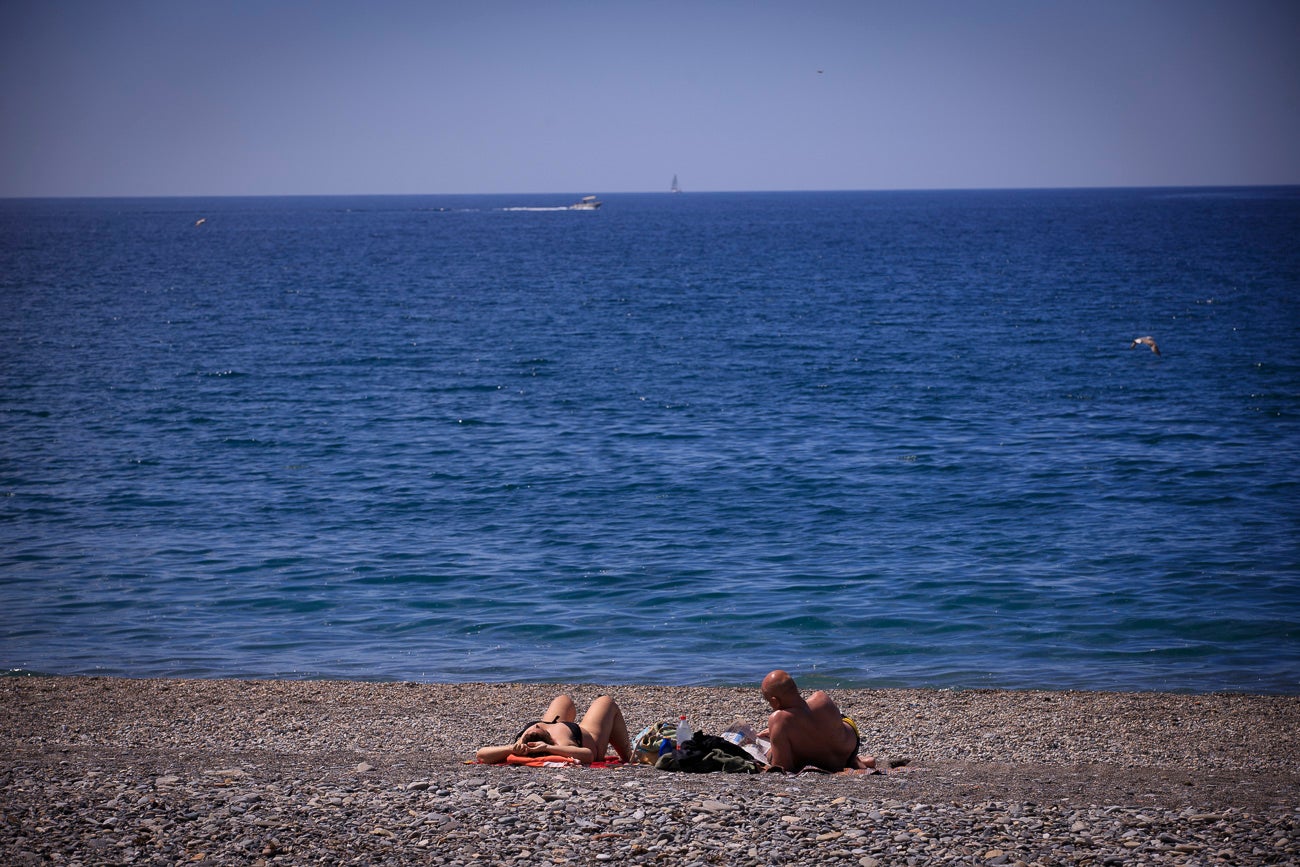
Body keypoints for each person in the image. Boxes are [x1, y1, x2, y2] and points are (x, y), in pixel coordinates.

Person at [758, 669, 875, 772]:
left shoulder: (778, 719)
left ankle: (857, 761)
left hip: (826, 763)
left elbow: (783, 767)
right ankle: (856, 760)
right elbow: (813, 724)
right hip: (850, 747)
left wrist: (775, 742)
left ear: (774, 701)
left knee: (775, 748)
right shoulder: (821, 697)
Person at [475, 693, 632, 765]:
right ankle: (629, 757)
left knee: (563, 699)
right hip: (586, 736)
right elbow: (588, 755)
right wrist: (548, 748)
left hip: (558, 724)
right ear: (546, 738)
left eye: (532, 728)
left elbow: (481, 753)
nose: (536, 725)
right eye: (537, 729)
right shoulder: (559, 743)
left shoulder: (522, 743)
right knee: (606, 701)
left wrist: (511, 748)